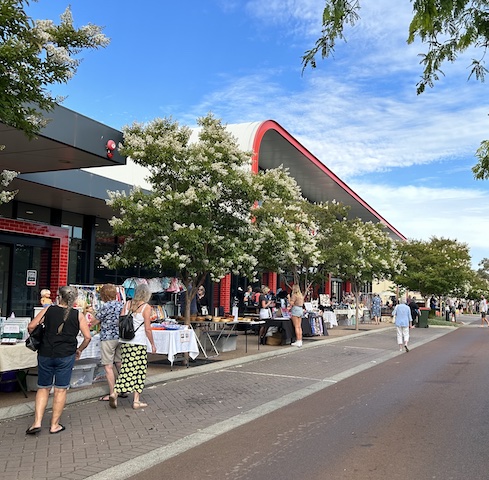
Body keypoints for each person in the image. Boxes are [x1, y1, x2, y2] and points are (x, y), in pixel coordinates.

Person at [26, 286, 91, 435]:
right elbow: (87, 337)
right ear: (74, 299)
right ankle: (54, 425)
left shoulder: (49, 310)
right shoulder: (77, 315)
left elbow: (31, 326)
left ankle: (37, 422)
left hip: (46, 352)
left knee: (43, 387)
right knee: (60, 390)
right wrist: (79, 350)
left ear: (59, 297)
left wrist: (41, 335)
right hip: (66, 355)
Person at [110, 283, 156, 410]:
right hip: (138, 342)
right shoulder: (146, 307)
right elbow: (148, 328)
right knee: (139, 371)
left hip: (125, 341)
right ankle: (131, 398)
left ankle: (118, 393)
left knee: (126, 367)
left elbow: (120, 320)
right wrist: (152, 344)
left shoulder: (128, 304)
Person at [90, 284, 124, 402]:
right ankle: (123, 387)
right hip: (121, 337)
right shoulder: (121, 305)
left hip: (108, 337)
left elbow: (95, 321)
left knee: (108, 366)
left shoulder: (105, 307)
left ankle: (112, 393)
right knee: (119, 362)